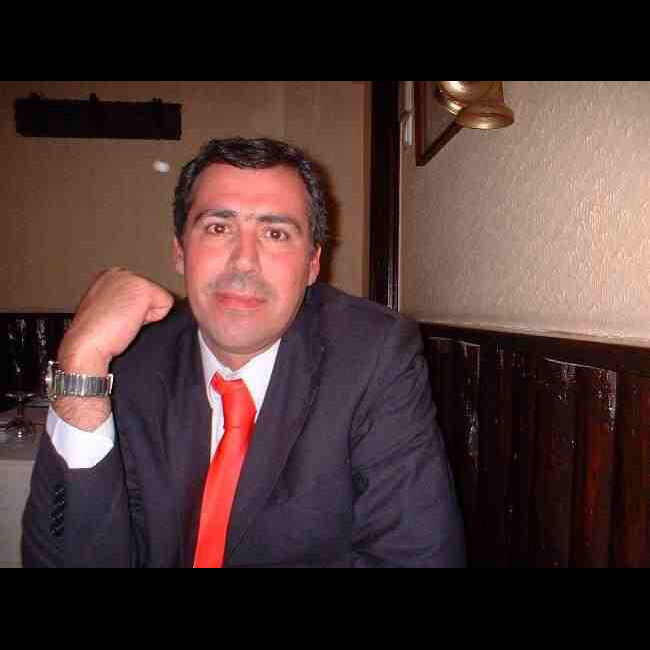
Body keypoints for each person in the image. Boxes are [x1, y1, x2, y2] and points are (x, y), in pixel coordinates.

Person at [22, 137, 465, 568]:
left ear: (313, 264)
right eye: (219, 228)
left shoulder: (373, 356)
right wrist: (81, 363)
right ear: (180, 252)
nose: (244, 261)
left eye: (275, 233)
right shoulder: (133, 358)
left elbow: (415, 554)